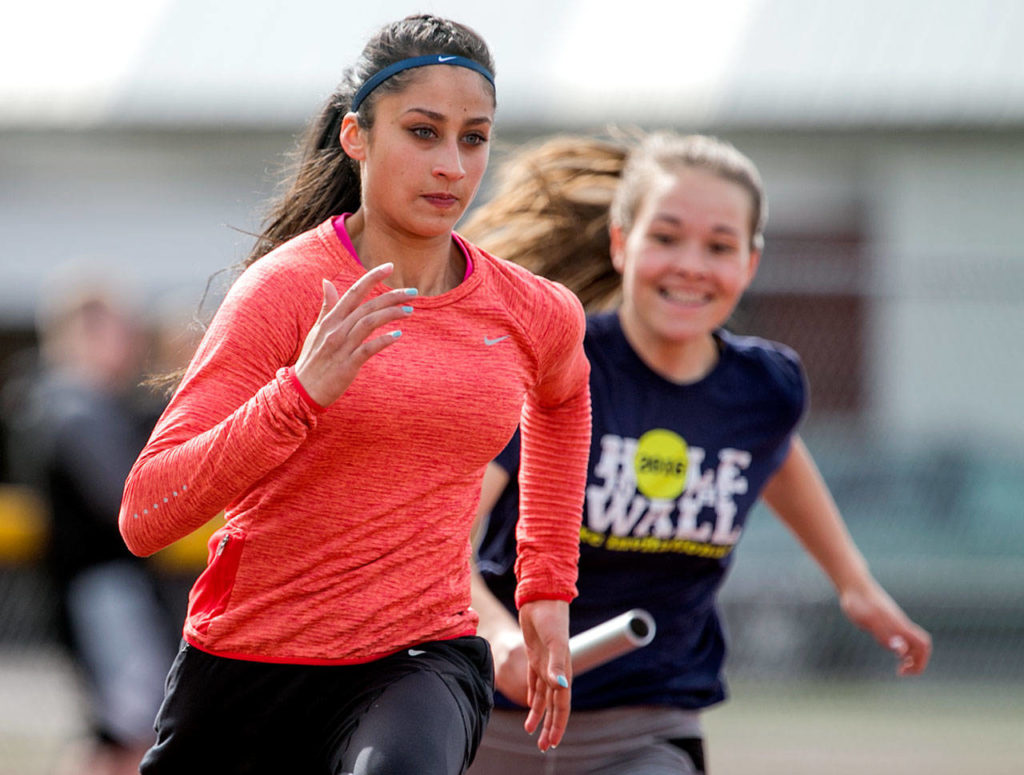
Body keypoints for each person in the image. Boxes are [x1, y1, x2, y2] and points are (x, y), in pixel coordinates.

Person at [117, 14, 591, 775]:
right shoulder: (284, 292)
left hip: (421, 656)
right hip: (247, 666)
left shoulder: (530, 310)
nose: (452, 165)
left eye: (474, 137)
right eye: (423, 132)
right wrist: (299, 393)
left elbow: (565, 397)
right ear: (356, 137)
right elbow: (146, 514)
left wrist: (545, 582)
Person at [460, 132, 933, 774]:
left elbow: (775, 456)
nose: (691, 264)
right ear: (622, 243)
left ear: (750, 263)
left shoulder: (763, 388)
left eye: (719, 246)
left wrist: (854, 585)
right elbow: (441, 539)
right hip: (492, 720)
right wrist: (500, 636)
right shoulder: (553, 367)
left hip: (647, 722)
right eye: (666, 237)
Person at [2, 267, 176, 775]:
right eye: (120, 329)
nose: (130, 344)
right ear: (85, 330)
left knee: (115, 733)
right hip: (104, 590)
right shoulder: (74, 404)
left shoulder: (56, 397)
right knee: (135, 732)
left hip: (95, 589)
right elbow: (127, 498)